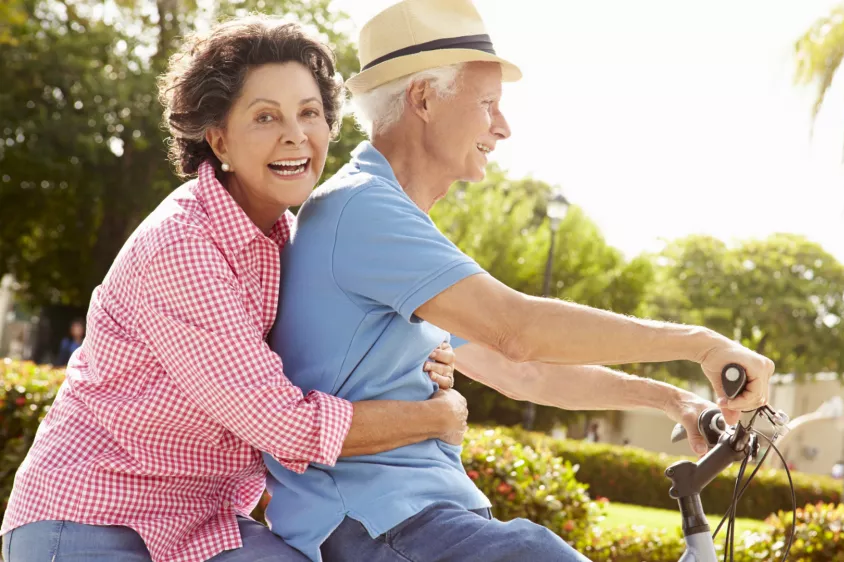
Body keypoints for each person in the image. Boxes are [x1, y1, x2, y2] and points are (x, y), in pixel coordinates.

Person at [262, 0, 776, 560]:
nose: (503, 127)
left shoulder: (389, 220)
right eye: (488, 105)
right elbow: (518, 330)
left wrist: (671, 398)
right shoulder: (363, 211)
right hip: (373, 521)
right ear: (423, 98)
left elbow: (521, 370)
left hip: (414, 518)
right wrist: (699, 344)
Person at [0, 16, 469, 562]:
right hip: (90, 517)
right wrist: (436, 417)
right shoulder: (184, 244)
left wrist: (418, 365)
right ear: (219, 139)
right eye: (265, 116)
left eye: (309, 112)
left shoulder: (289, 241)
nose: (294, 134)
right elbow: (284, 424)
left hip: (204, 523)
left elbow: (345, 356)